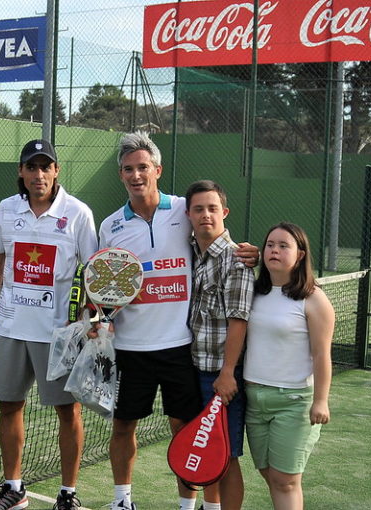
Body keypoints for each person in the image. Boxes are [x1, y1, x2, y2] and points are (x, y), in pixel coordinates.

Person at [99, 131, 258, 510]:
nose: (136, 175)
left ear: (157, 170)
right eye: (128, 169)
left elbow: (214, 228)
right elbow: (104, 283)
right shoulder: (110, 226)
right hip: (130, 348)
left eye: (143, 167)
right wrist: (99, 317)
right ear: (120, 175)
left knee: (187, 431)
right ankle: (122, 501)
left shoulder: (184, 208)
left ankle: (191, 506)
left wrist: (246, 250)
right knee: (123, 427)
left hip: (180, 349)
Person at [0, 139, 98, 510]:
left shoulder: (78, 213)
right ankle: (14, 488)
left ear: (56, 171)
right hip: (11, 328)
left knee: (68, 412)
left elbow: (92, 269)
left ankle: (68, 493)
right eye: (31, 167)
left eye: (45, 167)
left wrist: (92, 317)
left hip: (58, 334)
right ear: (21, 172)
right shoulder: (7, 209)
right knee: (9, 407)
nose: (39, 174)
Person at [244, 222, 334, 510]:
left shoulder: (314, 299)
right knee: (269, 474)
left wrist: (320, 401)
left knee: (286, 480)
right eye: (270, 245)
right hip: (253, 399)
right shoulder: (252, 291)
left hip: (294, 402)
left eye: (284, 246)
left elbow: (322, 355)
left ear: (300, 254)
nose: (275, 250)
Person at [185, 180, 255, 510]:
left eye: (212, 209)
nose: (206, 215)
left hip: (220, 377)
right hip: (191, 370)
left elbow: (238, 320)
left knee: (226, 456)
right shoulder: (189, 253)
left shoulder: (236, 260)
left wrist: (227, 373)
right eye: (198, 209)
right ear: (188, 214)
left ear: (224, 212)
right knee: (201, 452)